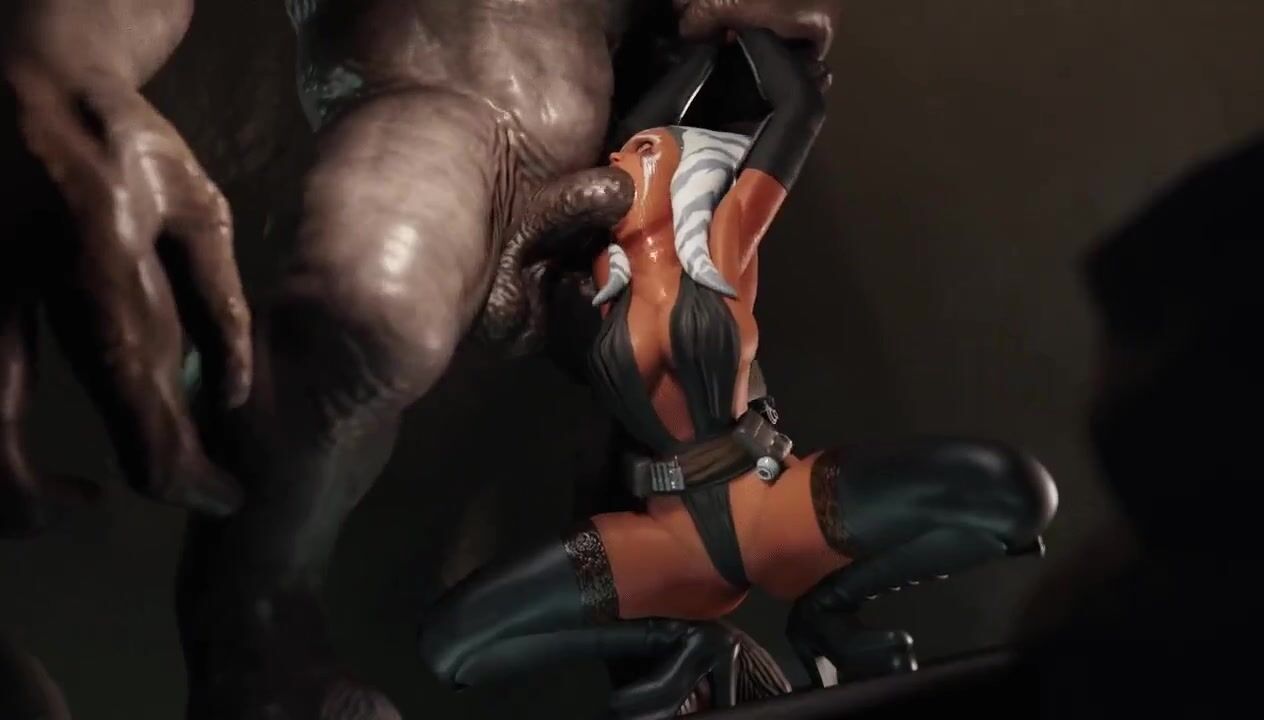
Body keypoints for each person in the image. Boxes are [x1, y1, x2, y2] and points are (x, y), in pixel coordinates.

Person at [1, 2, 843, 716]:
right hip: (436, 109)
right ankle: (253, 626)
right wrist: (61, 61)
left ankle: (678, 638)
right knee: (370, 303)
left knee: (687, 413)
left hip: (639, 169)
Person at [418, 30, 1058, 719]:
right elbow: (630, 134)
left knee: (1016, 492)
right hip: (669, 544)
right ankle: (689, 644)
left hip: (771, 506)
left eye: (642, 153)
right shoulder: (597, 283)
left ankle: (828, 613)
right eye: (624, 153)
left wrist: (732, 31)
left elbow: (798, 106)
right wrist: (693, 63)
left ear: (685, 174)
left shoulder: (723, 240)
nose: (621, 162)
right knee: (451, 645)